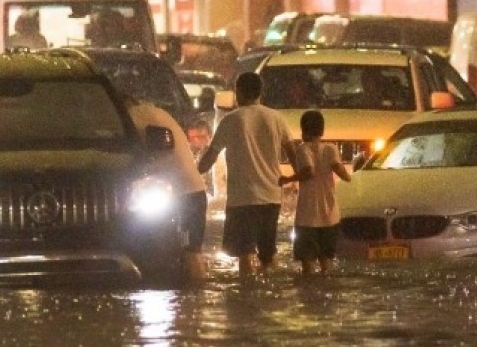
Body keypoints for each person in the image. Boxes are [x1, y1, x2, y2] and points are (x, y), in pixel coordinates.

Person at [197, 71, 297, 277]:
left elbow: (210, 158)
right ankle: (271, 296)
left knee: (244, 255)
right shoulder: (276, 118)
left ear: (239, 92)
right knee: (268, 256)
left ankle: (247, 298)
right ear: (260, 93)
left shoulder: (231, 120)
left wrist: (194, 171)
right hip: (271, 197)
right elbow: (294, 156)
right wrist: (297, 179)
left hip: (242, 200)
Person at [125, 95, 210, 281]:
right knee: (192, 252)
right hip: (194, 192)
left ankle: (197, 295)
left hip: (182, 195)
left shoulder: (131, 117)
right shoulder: (157, 112)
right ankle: (195, 300)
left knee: (189, 253)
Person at [280, 110, 351, 276]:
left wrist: (287, 179)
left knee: (308, 266)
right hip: (330, 216)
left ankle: (310, 298)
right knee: (327, 264)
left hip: (308, 217)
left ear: (303, 131)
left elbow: (308, 171)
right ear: (322, 131)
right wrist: (349, 174)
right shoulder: (331, 148)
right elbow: (342, 173)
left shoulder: (303, 148)